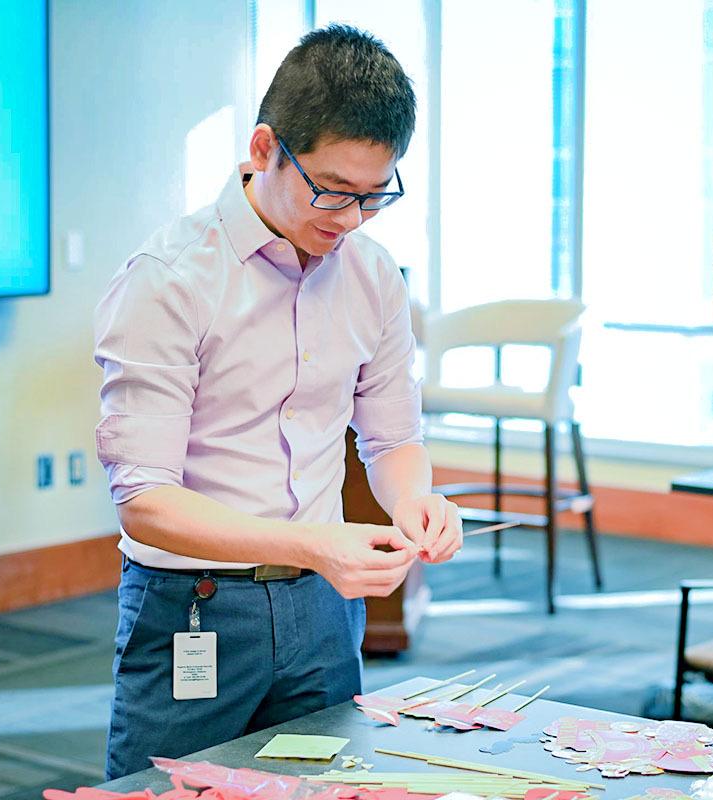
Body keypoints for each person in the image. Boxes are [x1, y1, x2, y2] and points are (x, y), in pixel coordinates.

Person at [93, 25, 461, 779]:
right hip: (192, 605)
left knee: (323, 789)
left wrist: (414, 502)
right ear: (265, 148)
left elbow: (391, 440)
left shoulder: (372, 275)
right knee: (165, 795)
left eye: (374, 195)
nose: (350, 218)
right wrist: (313, 545)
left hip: (324, 612)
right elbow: (145, 502)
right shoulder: (169, 278)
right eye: (332, 190)